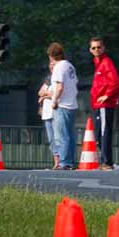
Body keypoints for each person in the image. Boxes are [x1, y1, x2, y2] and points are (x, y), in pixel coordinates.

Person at [89, 36, 119, 171]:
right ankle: (106, 161)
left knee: (104, 132)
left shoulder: (106, 62)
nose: (97, 50)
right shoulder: (98, 64)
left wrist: (106, 96)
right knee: (99, 133)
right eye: (94, 48)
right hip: (97, 104)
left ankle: (107, 162)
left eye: (99, 47)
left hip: (104, 105)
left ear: (104, 48)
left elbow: (115, 82)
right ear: (90, 50)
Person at [47, 42, 78, 170]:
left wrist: (54, 101)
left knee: (62, 135)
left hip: (62, 104)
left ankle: (64, 162)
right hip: (72, 104)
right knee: (70, 135)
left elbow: (59, 87)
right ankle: (70, 161)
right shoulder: (70, 66)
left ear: (51, 55)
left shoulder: (58, 67)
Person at [38, 59, 58, 169]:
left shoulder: (58, 79)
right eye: (50, 64)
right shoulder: (48, 79)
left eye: (54, 64)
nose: (51, 66)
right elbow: (40, 92)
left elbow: (56, 94)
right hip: (46, 113)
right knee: (51, 139)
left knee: (57, 138)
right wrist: (47, 94)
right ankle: (56, 161)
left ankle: (61, 161)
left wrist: (45, 95)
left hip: (55, 112)